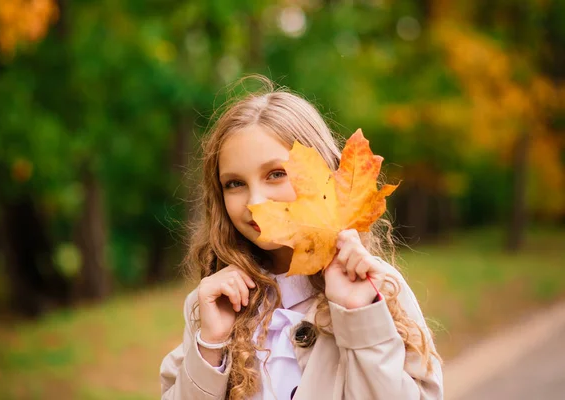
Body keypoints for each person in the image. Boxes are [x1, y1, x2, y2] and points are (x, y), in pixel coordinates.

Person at [159, 76, 443, 400]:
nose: (256, 202)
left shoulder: (375, 288)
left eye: (276, 174)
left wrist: (360, 316)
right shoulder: (212, 303)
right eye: (235, 183)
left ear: (324, 175)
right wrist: (210, 346)